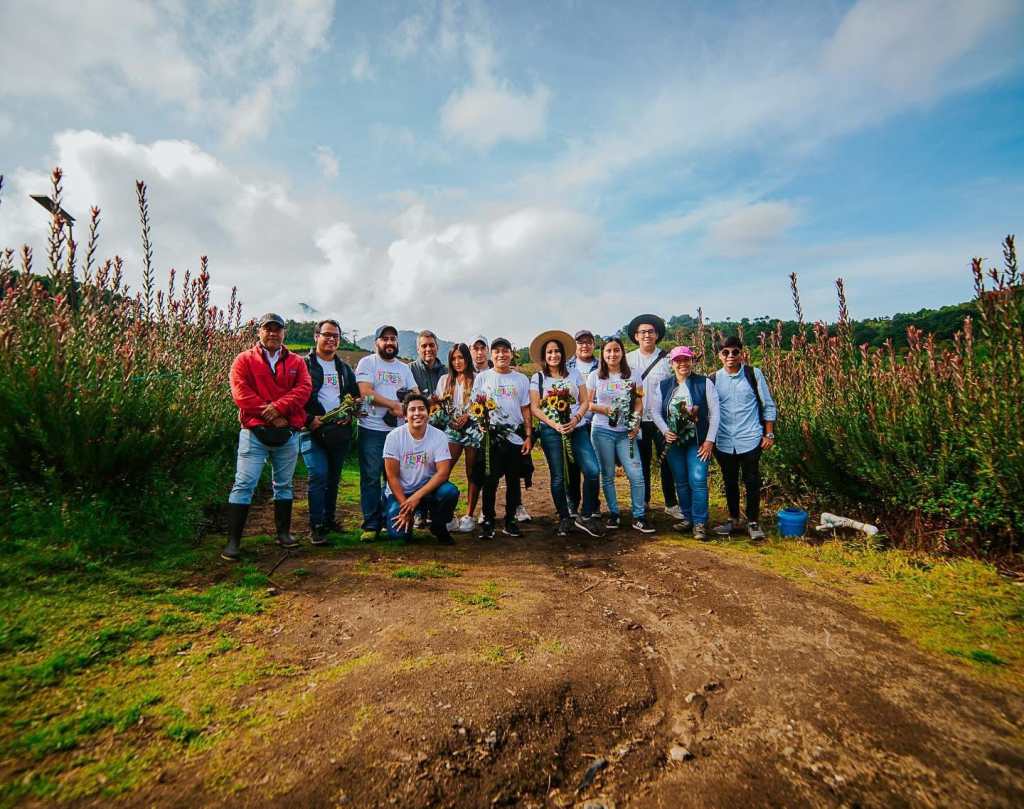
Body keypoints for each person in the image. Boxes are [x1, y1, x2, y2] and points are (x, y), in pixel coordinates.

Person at [222, 313, 312, 561]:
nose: (273, 333)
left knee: (284, 485)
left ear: (284, 333)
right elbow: (241, 394)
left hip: (287, 434)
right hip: (254, 433)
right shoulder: (243, 360)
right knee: (244, 484)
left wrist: (280, 408)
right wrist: (271, 414)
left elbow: (303, 390)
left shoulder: (297, 362)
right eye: (268, 329)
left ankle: (283, 534)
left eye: (277, 329)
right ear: (259, 332)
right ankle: (233, 542)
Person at [528, 330, 604, 538]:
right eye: (550, 352)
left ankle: (585, 515)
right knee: (559, 477)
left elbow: (585, 401)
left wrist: (576, 419)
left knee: (591, 470)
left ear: (563, 354)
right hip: (551, 432)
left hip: (577, 429)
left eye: (557, 351)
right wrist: (554, 424)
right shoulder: (538, 378)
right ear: (544, 356)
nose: (554, 355)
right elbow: (535, 407)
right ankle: (564, 517)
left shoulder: (574, 374)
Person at [649, 346, 720, 540]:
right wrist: (665, 431)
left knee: (697, 480)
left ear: (692, 361)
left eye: (686, 360)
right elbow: (655, 411)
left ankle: (699, 522)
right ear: (672, 364)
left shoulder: (704, 383)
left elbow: (714, 414)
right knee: (680, 481)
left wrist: (709, 441)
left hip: (698, 442)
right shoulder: (663, 386)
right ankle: (687, 517)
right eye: (678, 360)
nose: (683, 364)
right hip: (673, 443)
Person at [711, 336, 778, 541]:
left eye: (735, 352)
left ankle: (753, 522)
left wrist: (769, 433)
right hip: (723, 441)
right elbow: (710, 411)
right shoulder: (713, 379)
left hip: (750, 438)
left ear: (742, 353)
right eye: (726, 352)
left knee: (752, 481)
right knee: (729, 481)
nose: (730, 356)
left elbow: (768, 404)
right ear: (719, 356)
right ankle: (733, 519)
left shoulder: (753, 374)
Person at [300, 319, 360, 545]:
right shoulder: (304, 365)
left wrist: (350, 413)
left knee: (333, 478)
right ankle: (315, 526)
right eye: (327, 335)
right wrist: (308, 419)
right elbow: (296, 397)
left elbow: (354, 396)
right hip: (311, 429)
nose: (331, 339)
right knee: (318, 475)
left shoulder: (344, 369)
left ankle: (329, 520)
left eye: (335, 336)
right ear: (316, 336)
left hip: (337, 431)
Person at [355, 325, 416, 541]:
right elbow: (366, 394)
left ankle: (395, 518)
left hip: (399, 432)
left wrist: (405, 406)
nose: (389, 342)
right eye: (385, 339)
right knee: (371, 477)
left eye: (393, 339)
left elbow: (415, 393)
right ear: (376, 343)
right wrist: (393, 405)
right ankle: (371, 524)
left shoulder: (404, 368)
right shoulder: (367, 363)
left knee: (396, 478)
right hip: (372, 429)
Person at [587, 337, 654, 533]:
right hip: (602, 431)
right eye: (608, 351)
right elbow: (588, 404)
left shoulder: (634, 375)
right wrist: (605, 409)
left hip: (626, 432)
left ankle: (639, 516)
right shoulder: (595, 376)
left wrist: (636, 423)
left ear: (622, 352)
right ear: (602, 354)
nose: (612, 354)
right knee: (607, 474)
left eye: (616, 350)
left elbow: (639, 402)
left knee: (636, 474)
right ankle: (614, 514)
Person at [471, 337, 532, 540]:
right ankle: (488, 520)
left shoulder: (521, 379)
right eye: (497, 351)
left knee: (514, 481)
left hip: (514, 436)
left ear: (511, 353)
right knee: (489, 480)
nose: (501, 355)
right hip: (491, 438)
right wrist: (481, 423)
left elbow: (525, 409)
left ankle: (511, 521)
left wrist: (529, 436)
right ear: (491, 354)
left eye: (505, 351)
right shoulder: (483, 378)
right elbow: (475, 406)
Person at [383, 392, 460, 545]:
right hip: (401, 492)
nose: (417, 413)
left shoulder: (439, 436)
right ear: (405, 415)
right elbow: (392, 477)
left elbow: (443, 473)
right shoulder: (394, 437)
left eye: (421, 409)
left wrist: (416, 498)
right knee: (398, 536)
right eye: (412, 410)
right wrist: (406, 506)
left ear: (428, 413)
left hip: (428, 490)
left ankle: (438, 525)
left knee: (449, 492)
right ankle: (396, 512)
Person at [625, 314, 680, 520]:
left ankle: (671, 503)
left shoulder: (667, 359)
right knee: (641, 462)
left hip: (662, 421)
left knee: (667, 461)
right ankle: (644, 500)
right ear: (636, 336)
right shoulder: (628, 359)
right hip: (637, 420)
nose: (647, 335)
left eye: (650, 331)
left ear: (657, 335)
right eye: (642, 332)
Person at [435, 343, 482, 533]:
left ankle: (469, 515)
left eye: (461, 357)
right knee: (443, 469)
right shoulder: (445, 380)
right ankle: (447, 514)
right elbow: (439, 404)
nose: (457, 362)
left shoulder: (478, 379)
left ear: (467, 358)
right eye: (454, 358)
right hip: (452, 429)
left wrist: (469, 415)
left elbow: (482, 402)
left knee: (472, 472)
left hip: (472, 429)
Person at [566, 329, 600, 519]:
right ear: (575, 346)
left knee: (592, 466)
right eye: (580, 343)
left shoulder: (601, 366)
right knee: (572, 465)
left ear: (593, 345)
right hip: (573, 422)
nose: (584, 346)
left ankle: (593, 504)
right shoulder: (567, 366)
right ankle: (572, 502)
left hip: (596, 421)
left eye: (588, 342)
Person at [410, 329, 446, 395]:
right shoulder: (409, 370)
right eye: (424, 346)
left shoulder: (446, 372)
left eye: (431, 345)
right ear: (418, 350)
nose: (428, 349)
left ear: (437, 347)